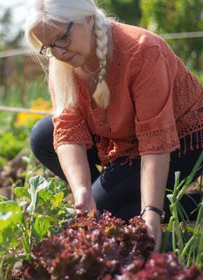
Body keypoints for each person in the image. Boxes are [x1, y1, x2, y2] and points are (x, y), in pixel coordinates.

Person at [25, 0, 203, 252]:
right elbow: (68, 128)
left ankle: (189, 205)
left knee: (109, 208)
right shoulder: (63, 59)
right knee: (43, 135)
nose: (58, 53)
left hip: (182, 140)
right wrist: (82, 192)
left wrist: (151, 212)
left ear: (87, 19)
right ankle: (116, 203)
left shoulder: (143, 51)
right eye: (48, 47)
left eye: (61, 40)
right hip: (124, 141)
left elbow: (155, 141)